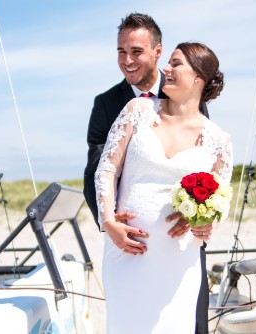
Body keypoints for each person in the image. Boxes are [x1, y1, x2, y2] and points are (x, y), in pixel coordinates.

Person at [84, 13, 213, 334]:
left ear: (158, 52)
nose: (127, 60)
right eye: (120, 52)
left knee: (191, 323)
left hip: (180, 243)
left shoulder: (186, 96)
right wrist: (108, 223)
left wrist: (198, 215)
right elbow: (97, 172)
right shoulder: (106, 104)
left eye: (136, 51)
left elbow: (201, 165)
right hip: (130, 243)